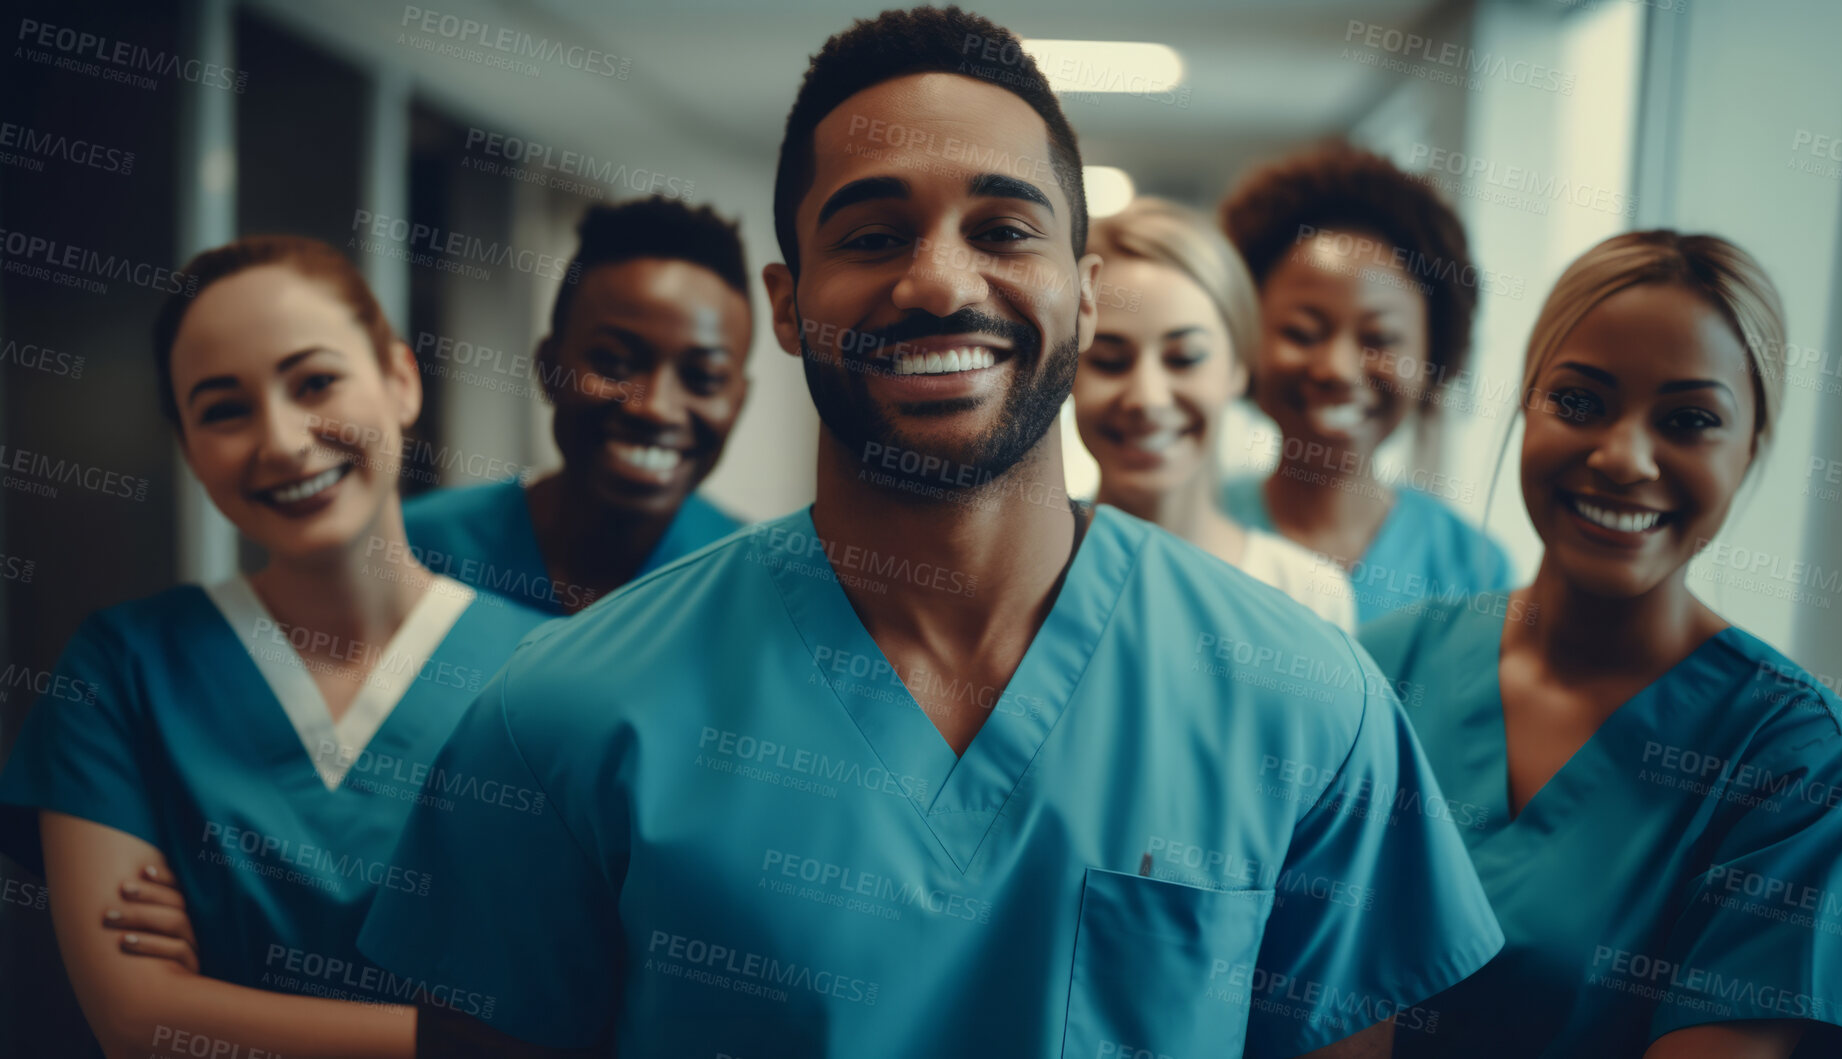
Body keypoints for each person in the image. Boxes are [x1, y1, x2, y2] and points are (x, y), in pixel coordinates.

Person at [358, 9, 1502, 1058]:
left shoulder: (1304, 707)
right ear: (788, 302)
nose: (938, 283)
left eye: (1003, 227)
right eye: (869, 235)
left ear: (1085, 290)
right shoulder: (559, 714)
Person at [0, 236, 546, 1058]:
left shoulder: (554, 671)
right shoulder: (120, 670)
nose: (284, 440)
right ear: (188, 448)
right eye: (223, 408)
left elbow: (601, 987)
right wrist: (482, 1041)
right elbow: (139, 1022)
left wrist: (215, 1000)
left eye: (315, 380)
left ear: (400, 379)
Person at [1360, 231, 1842, 1056]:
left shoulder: (1795, 761)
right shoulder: (1381, 671)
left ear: (1750, 448)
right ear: (1524, 404)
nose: (1622, 457)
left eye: (1688, 419)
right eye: (1577, 401)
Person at [403, 197, 752, 614]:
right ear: (549, 367)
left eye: (703, 378)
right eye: (614, 363)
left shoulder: (755, 585)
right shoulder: (417, 548)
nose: (655, 408)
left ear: (738, 401)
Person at [1220, 143, 1510, 625]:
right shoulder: (1191, 524)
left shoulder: (1472, 569)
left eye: (1379, 339)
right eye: (1302, 333)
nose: (1337, 368)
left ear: (1433, 354)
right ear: (1245, 335)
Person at [1074, 196, 1356, 630]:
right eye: (1109, 361)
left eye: (1185, 358)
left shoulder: (1308, 594)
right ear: (1065, 374)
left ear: (1239, 366)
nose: (1147, 398)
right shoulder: (1019, 582)